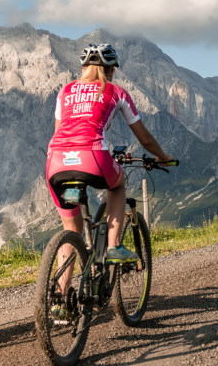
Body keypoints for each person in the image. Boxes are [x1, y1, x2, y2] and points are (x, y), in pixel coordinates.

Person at [45, 42, 173, 263]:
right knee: (118, 185)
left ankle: (59, 292)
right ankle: (114, 246)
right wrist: (163, 156)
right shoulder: (117, 92)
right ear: (111, 69)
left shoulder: (64, 92)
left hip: (56, 161)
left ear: (83, 67)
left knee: (71, 230)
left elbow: (59, 131)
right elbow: (144, 138)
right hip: (93, 156)